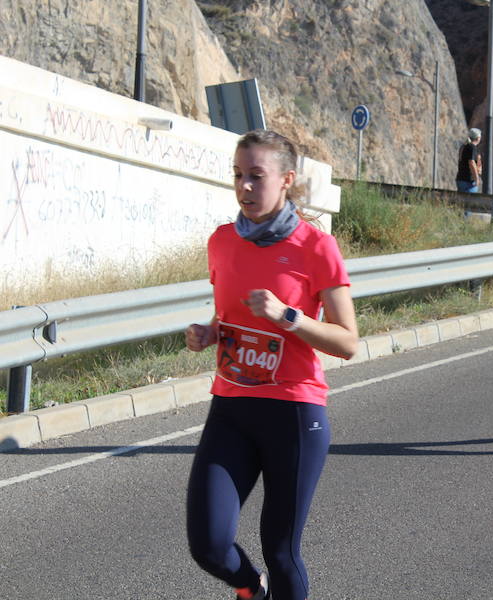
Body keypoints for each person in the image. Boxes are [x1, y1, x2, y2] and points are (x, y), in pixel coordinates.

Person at [185, 130, 358, 600]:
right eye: (237, 175)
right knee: (208, 544)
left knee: (280, 550)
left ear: (286, 180)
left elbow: (348, 342)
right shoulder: (222, 242)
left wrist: (289, 315)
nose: (244, 186)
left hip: (293, 414)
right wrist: (210, 333)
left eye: (256, 176)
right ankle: (249, 587)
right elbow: (229, 317)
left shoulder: (315, 247)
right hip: (232, 408)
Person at [455, 127, 483, 193]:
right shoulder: (472, 148)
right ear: (478, 138)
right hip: (468, 181)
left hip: (461, 178)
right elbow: (471, 163)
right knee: (470, 202)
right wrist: (476, 178)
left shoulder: (464, 146)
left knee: (462, 202)